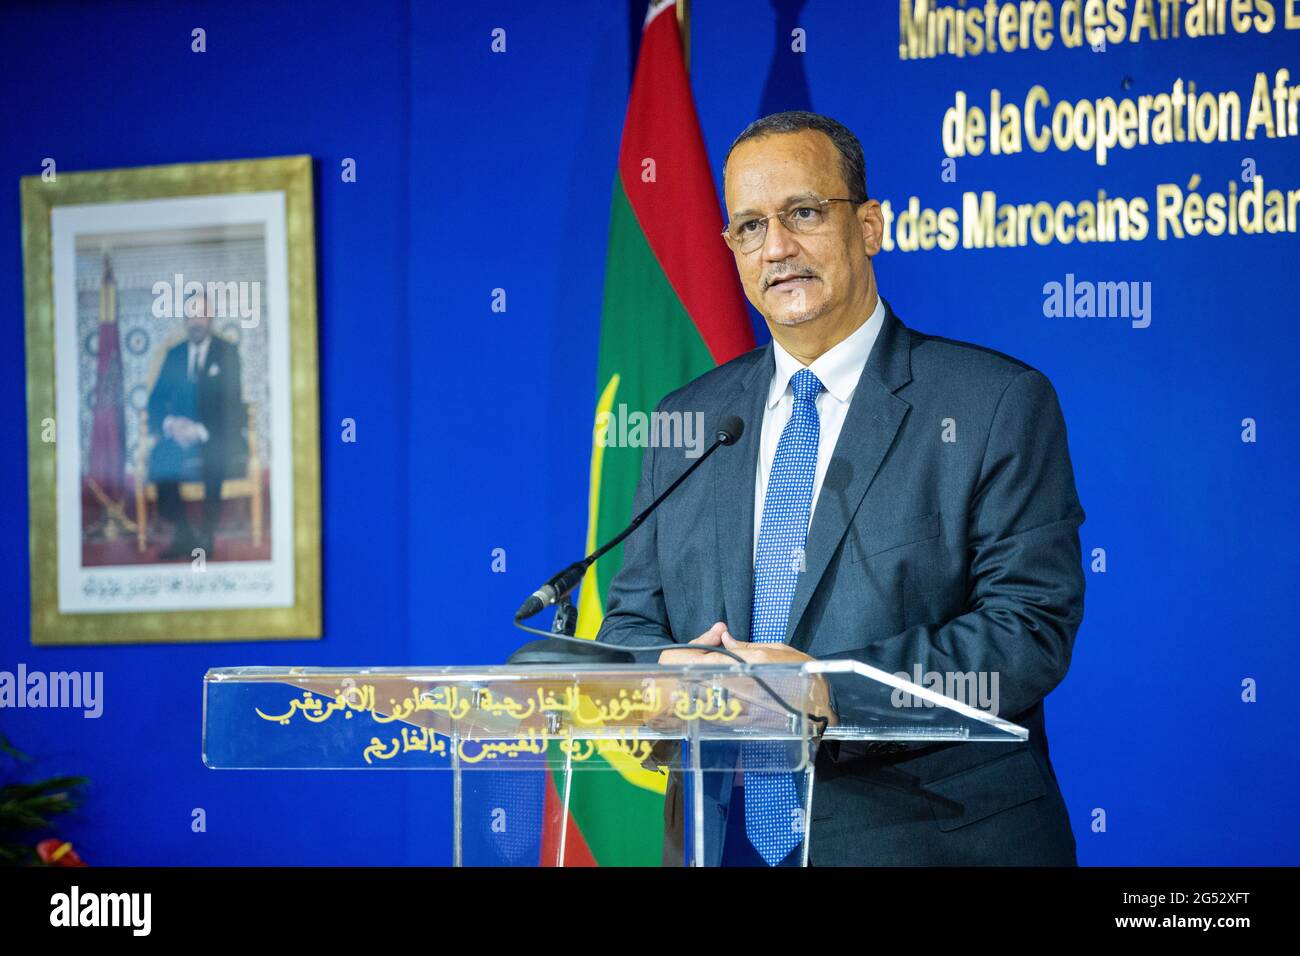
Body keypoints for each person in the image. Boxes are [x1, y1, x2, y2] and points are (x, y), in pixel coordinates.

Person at [596, 111, 1085, 866]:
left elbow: (1027, 632)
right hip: (719, 841)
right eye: (749, 227)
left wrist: (827, 693)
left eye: (803, 213)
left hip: (933, 843)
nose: (778, 248)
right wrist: (665, 674)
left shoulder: (992, 403)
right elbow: (630, 625)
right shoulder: (687, 420)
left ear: (869, 224)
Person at [147, 288, 245, 560]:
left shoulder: (227, 352)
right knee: (159, 458)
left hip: (214, 433)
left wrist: (200, 430)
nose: (197, 321)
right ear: (184, 320)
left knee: (215, 453)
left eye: (202, 315)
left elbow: (232, 405)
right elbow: (155, 401)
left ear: (211, 317)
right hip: (179, 437)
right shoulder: (175, 354)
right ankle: (183, 534)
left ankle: (207, 535)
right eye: (191, 316)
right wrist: (171, 424)